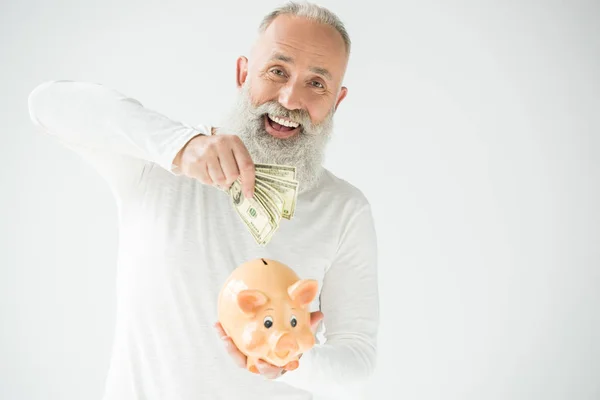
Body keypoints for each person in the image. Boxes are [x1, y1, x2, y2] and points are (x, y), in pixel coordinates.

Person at [27, 1, 379, 399]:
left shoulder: (346, 209)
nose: (290, 99)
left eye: (316, 83)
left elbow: (358, 359)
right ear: (243, 73)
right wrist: (179, 145)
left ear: (337, 100)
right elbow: (45, 104)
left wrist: (293, 361)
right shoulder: (156, 164)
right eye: (277, 71)